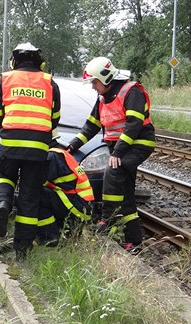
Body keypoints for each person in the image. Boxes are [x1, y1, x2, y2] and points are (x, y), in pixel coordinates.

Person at [67, 57, 155, 251]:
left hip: (139, 143)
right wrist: (72, 146)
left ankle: (107, 219)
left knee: (113, 173)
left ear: (105, 78)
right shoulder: (102, 98)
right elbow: (91, 126)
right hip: (120, 147)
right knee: (126, 193)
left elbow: (134, 125)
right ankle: (134, 240)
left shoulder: (131, 92)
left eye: (94, 82)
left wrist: (117, 153)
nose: (93, 87)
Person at [0, 42, 61, 260]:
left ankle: (2, 203)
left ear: (14, 61)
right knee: (30, 196)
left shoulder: (5, 79)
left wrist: (7, 130)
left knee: (4, 177)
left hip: (10, 144)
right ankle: (22, 250)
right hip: (38, 149)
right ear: (40, 62)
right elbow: (54, 118)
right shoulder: (50, 82)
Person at [36, 131, 94, 246]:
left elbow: (36, 182)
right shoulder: (59, 153)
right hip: (80, 205)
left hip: (77, 206)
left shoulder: (51, 157)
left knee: (36, 195)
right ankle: (61, 232)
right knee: (47, 195)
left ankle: (50, 237)